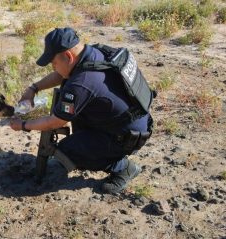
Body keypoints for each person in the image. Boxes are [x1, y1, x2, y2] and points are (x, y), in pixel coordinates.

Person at [10, 27, 153, 194]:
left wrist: (23, 125)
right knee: (76, 120)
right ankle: (97, 147)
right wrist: (33, 88)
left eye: (54, 63)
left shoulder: (82, 83)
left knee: (67, 152)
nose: (53, 67)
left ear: (68, 56)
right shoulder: (94, 53)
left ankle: (123, 168)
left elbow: (55, 122)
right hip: (131, 120)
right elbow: (62, 74)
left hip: (127, 136)